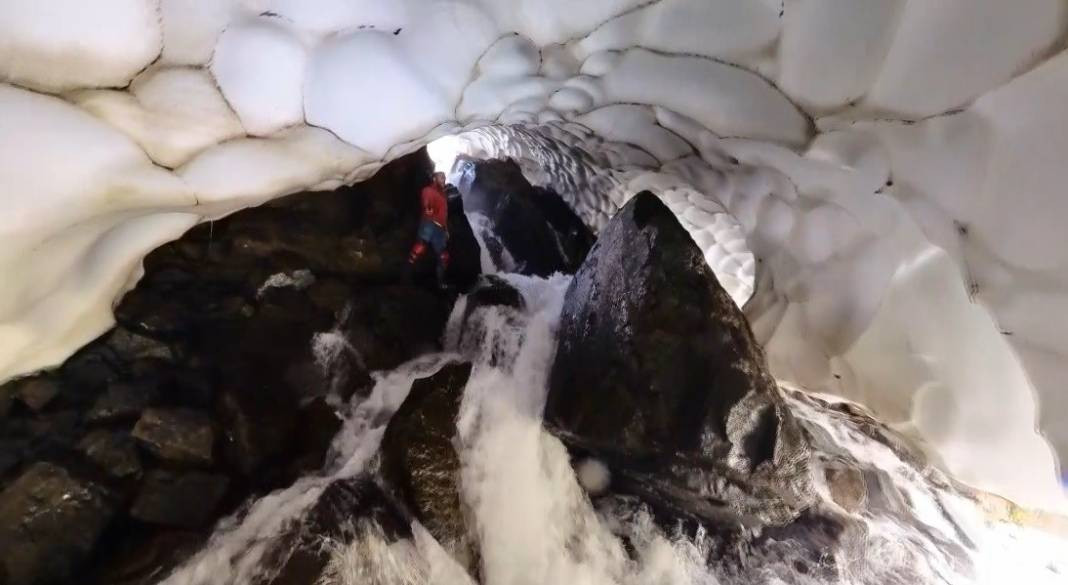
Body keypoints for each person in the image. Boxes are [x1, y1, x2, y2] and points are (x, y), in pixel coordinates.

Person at [408, 171, 451, 287]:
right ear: (434, 178)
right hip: (429, 223)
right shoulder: (428, 190)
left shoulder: (443, 196)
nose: (444, 180)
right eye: (441, 177)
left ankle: (440, 282)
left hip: (440, 229)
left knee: (444, 256)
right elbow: (426, 201)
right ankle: (407, 273)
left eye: (444, 178)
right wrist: (428, 208)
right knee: (419, 248)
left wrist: (446, 229)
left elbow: (444, 215)